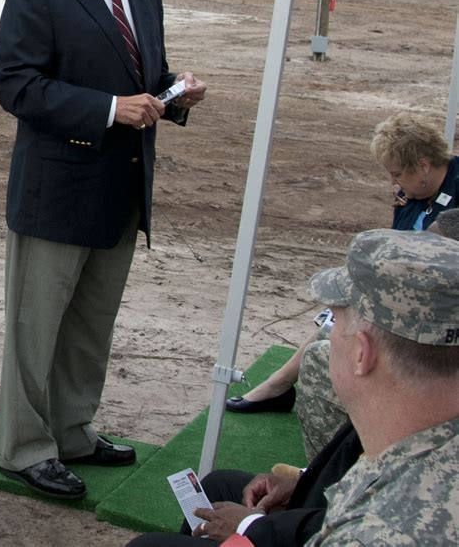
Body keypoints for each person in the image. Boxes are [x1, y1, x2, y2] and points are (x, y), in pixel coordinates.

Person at [0, 0, 206, 500]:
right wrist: (111, 109)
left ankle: (74, 431)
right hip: (56, 194)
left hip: (121, 190)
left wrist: (176, 92)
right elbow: (17, 86)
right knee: (36, 331)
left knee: (91, 326)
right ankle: (25, 450)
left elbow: (146, 74)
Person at [126, 229, 459, 546]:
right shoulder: (417, 440)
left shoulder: (379, 532)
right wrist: (303, 484)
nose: (326, 336)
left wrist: (250, 532)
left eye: (334, 321)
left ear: (362, 353)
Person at [227, 111, 459, 416]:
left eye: (397, 173)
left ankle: (280, 385)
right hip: (409, 299)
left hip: (438, 311)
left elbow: (426, 251)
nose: (393, 181)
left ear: (424, 165)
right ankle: (280, 384)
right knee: (345, 308)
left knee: (351, 309)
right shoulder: (415, 189)